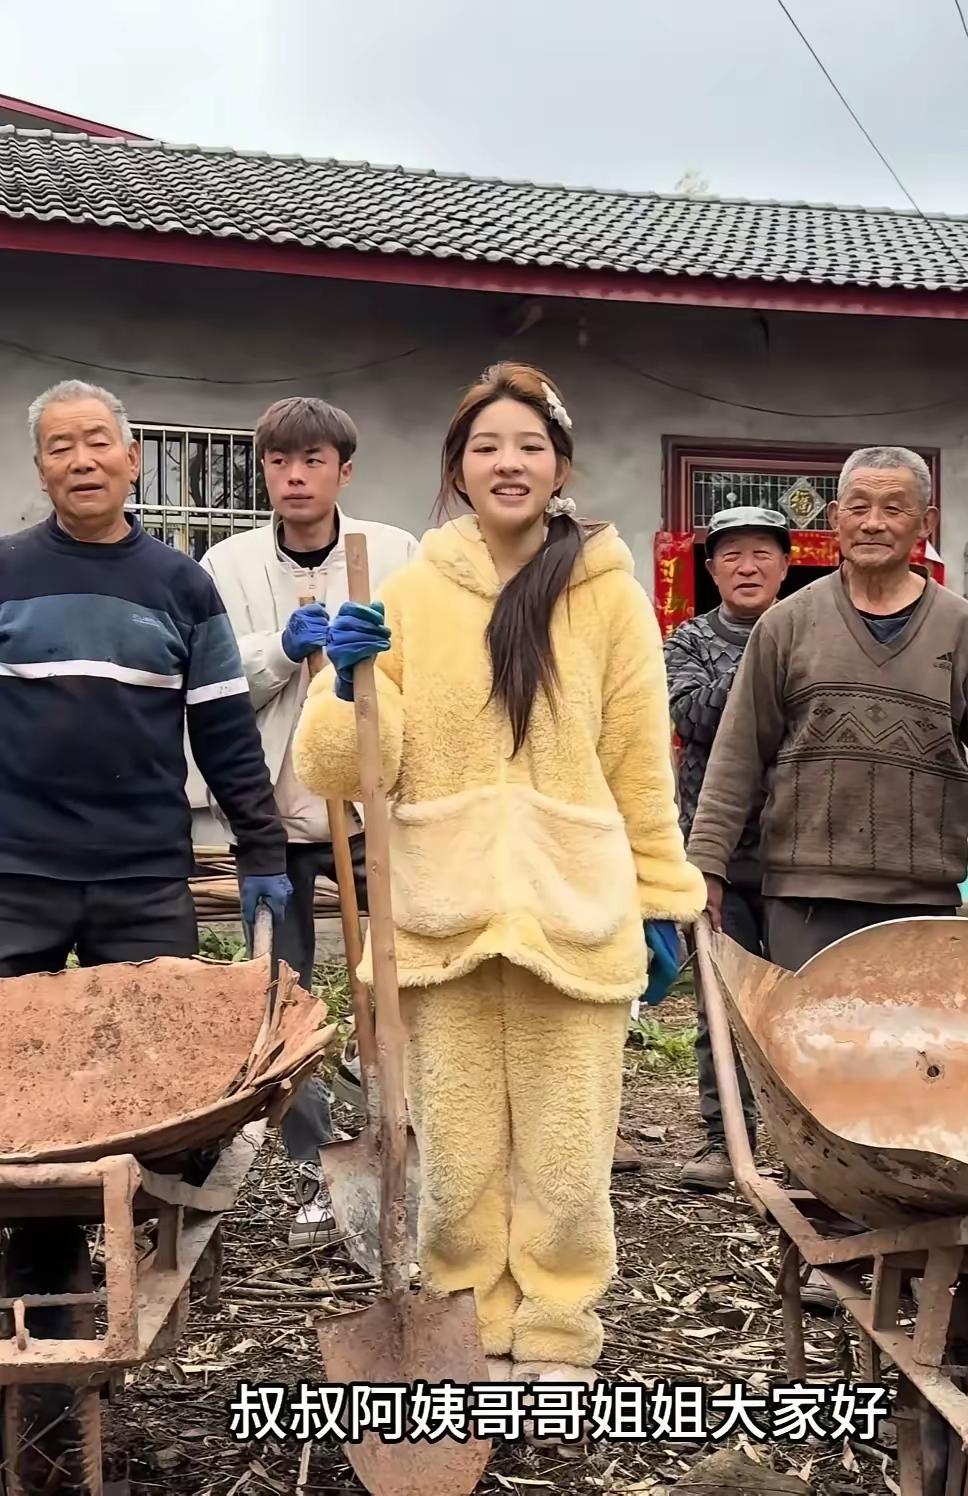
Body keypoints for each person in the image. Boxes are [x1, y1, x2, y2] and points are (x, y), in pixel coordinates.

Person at [291, 363, 704, 1406]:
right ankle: (466, 1315)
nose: (507, 463)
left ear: (561, 466)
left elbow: (638, 762)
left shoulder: (607, 594)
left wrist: (660, 896)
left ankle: (559, 1316)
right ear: (458, 468)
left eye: (529, 445)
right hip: (444, 905)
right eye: (486, 447)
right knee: (460, 1148)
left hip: (574, 904)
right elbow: (344, 770)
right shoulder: (409, 592)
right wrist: (346, 682)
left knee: (567, 1149)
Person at [188, 396, 418, 1248]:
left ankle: (402, 1137)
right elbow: (213, 683)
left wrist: (368, 659)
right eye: (280, 462)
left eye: (313, 461)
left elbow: (422, 668)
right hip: (273, 818)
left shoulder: (394, 553)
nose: (294, 476)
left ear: (343, 472)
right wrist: (281, 649)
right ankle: (317, 1167)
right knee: (282, 997)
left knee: (398, 979)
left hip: (371, 814)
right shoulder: (227, 563)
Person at [689, 445, 968, 971]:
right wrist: (705, 865)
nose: (873, 523)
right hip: (806, 903)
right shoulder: (786, 625)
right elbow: (735, 759)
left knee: (918, 1028)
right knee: (808, 1027)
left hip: (923, 904)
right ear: (835, 518)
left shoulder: (965, 630)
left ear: (925, 523)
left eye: (894, 508)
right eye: (858, 507)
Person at [0, 379, 287, 977]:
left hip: (145, 878)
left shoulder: (184, 586)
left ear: (132, 460)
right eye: (60, 448)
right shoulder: (6, 573)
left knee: (157, 1033)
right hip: (15, 872)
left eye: (97, 442)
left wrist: (261, 848)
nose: (81, 461)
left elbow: (226, 734)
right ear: (41, 471)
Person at [665, 506, 790, 1192]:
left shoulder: (812, 630)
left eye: (762, 554)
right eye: (732, 555)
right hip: (715, 853)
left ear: (785, 565)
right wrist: (765, 660)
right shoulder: (688, 641)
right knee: (721, 1004)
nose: (747, 567)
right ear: (711, 570)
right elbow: (691, 715)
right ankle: (724, 1141)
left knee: (799, 1004)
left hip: (801, 852)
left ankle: (806, 1147)